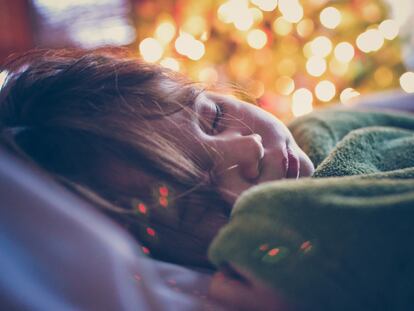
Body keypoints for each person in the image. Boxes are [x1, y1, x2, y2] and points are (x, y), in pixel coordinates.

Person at [1, 49, 414, 310]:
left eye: (213, 118)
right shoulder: (279, 265)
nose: (247, 150)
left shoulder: (327, 127)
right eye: (198, 197)